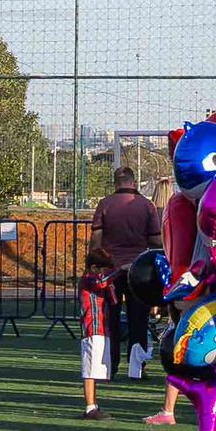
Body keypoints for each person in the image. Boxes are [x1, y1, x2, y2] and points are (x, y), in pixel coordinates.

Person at [89, 168, 163, 386]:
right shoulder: (147, 206)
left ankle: (108, 368)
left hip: (111, 271)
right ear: (134, 182)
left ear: (115, 183)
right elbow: (156, 241)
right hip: (138, 270)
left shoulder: (104, 204)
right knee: (138, 320)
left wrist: (95, 263)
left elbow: (96, 240)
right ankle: (136, 369)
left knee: (109, 320)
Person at [76, 258, 116, 418]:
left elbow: (113, 300)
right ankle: (90, 407)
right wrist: (119, 270)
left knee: (98, 368)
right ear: (93, 267)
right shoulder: (88, 279)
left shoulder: (101, 282)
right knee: (90, 369)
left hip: (102, 328)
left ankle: (94, 405)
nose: (104, 273)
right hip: (91, 327)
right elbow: (100, 282)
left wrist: (111, 286)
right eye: (102, 269)